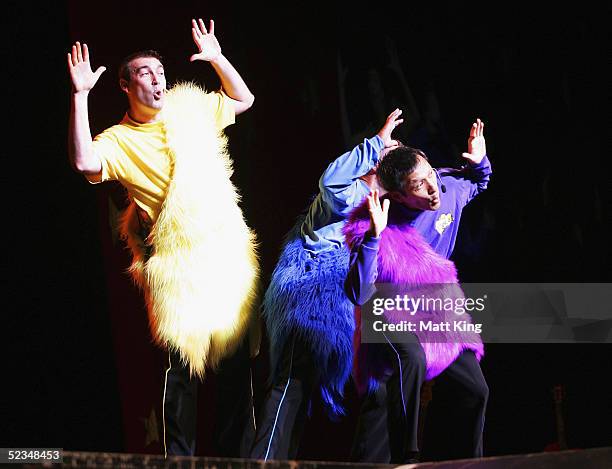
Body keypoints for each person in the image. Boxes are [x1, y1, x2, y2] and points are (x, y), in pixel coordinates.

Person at [67, 18, 260, 457]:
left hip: (223, 254)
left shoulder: (189, 109)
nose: (156, 79)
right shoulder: (119, 139)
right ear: (124, 84)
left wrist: (216, 59)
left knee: (233, 373)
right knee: (182, 373)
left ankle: (242, 461)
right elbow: (83, 162)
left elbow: (243, 98)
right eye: (144, 73)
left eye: (159, 72)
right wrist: (80, 96)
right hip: (177, 266)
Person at [249, 109, 404, 461]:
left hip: (338, 315)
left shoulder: (379, 212)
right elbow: (331, 180)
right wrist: (377, 144)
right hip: (309, 300)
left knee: (305, 394)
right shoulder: (346, 194)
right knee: (290, 386)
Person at [344, 119, 492, 464]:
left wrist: (480, 161)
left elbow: (478, 181)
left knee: (476, 390)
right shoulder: (375, 218)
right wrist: (374, 238)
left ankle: (467, 462)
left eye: (430, 176)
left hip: (435, 309)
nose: (432, 190)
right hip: (389, 311)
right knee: (395, 380)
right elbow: (360, 292)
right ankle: (405, 457)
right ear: (398, 195)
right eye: (419, 186)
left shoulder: (448, 187)